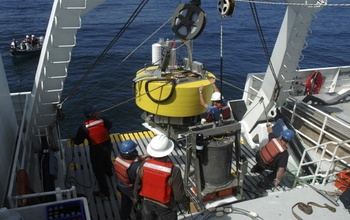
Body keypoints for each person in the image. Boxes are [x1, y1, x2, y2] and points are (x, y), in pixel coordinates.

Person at [133, 134, 190, 220]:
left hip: (147, 204)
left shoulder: (144, 165)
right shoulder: (174, 170)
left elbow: (137, 186)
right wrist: (186, 203)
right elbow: (179, 196)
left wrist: (137, 200)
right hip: (166, 207)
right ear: (167, 151)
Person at [72, 104, 113, 200]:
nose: (98, 112)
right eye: (96, 111)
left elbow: (78, 141)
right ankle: (109, 173)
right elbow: (110, 126)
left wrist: (73, 139)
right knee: (107, 159)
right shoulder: (104, 121)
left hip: (96, 150)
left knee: (98, 171)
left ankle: (105, 192)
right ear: (92, 114)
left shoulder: (84, 128)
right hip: (107, 144)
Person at [251, 124, 295, 189]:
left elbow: (270, 131)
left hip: (258, 157)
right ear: (289, 140)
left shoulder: (274, 138)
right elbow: (281, 169)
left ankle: (255, 169)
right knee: (281, 169)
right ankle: (264, 182)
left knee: (265, 156)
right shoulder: (284, 154)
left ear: (282, 136)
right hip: (265, 164)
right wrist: (278, 180)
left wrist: (268, 126)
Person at [114, 140, 148, 220]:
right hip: (131, 190)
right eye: (135, 150)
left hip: (121, 186)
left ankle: (124, 216)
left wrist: (142, 157)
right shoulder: (135, 167)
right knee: (140, 206)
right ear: (132, 153)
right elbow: (141, 179)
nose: (136, 151)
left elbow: (130, 162)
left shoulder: (118, 158)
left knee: (125, 203)